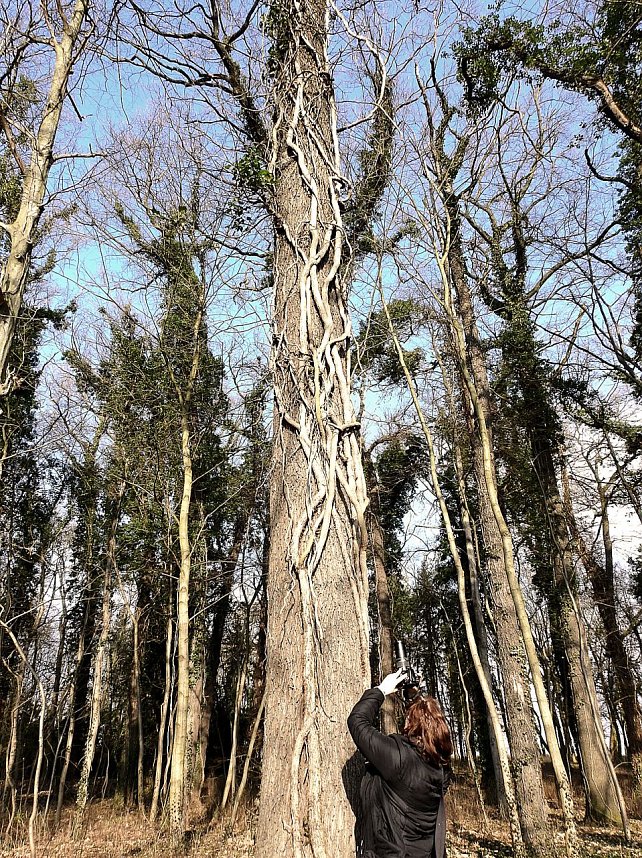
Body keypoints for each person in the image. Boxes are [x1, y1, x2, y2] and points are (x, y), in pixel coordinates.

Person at [347, 669, 452, 858]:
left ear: (412, 725)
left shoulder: (399, 758)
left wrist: (381, 690)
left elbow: (357, 721)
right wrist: (414, 698)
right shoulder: (441, 769)